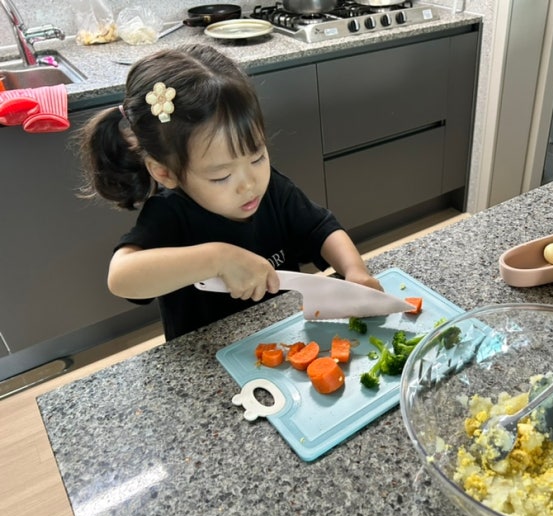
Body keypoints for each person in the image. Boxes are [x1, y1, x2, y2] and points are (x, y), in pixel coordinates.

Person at [78, 44, 381, 341]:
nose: (249, 184)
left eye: (257, 158)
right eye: (221, 176)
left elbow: (321, 229)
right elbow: (121, 277)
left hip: (285, 340)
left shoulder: (273, 189)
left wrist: (354, 271)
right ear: (165, 173)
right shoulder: (170, 214)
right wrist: (217, 258)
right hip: (210, 356)